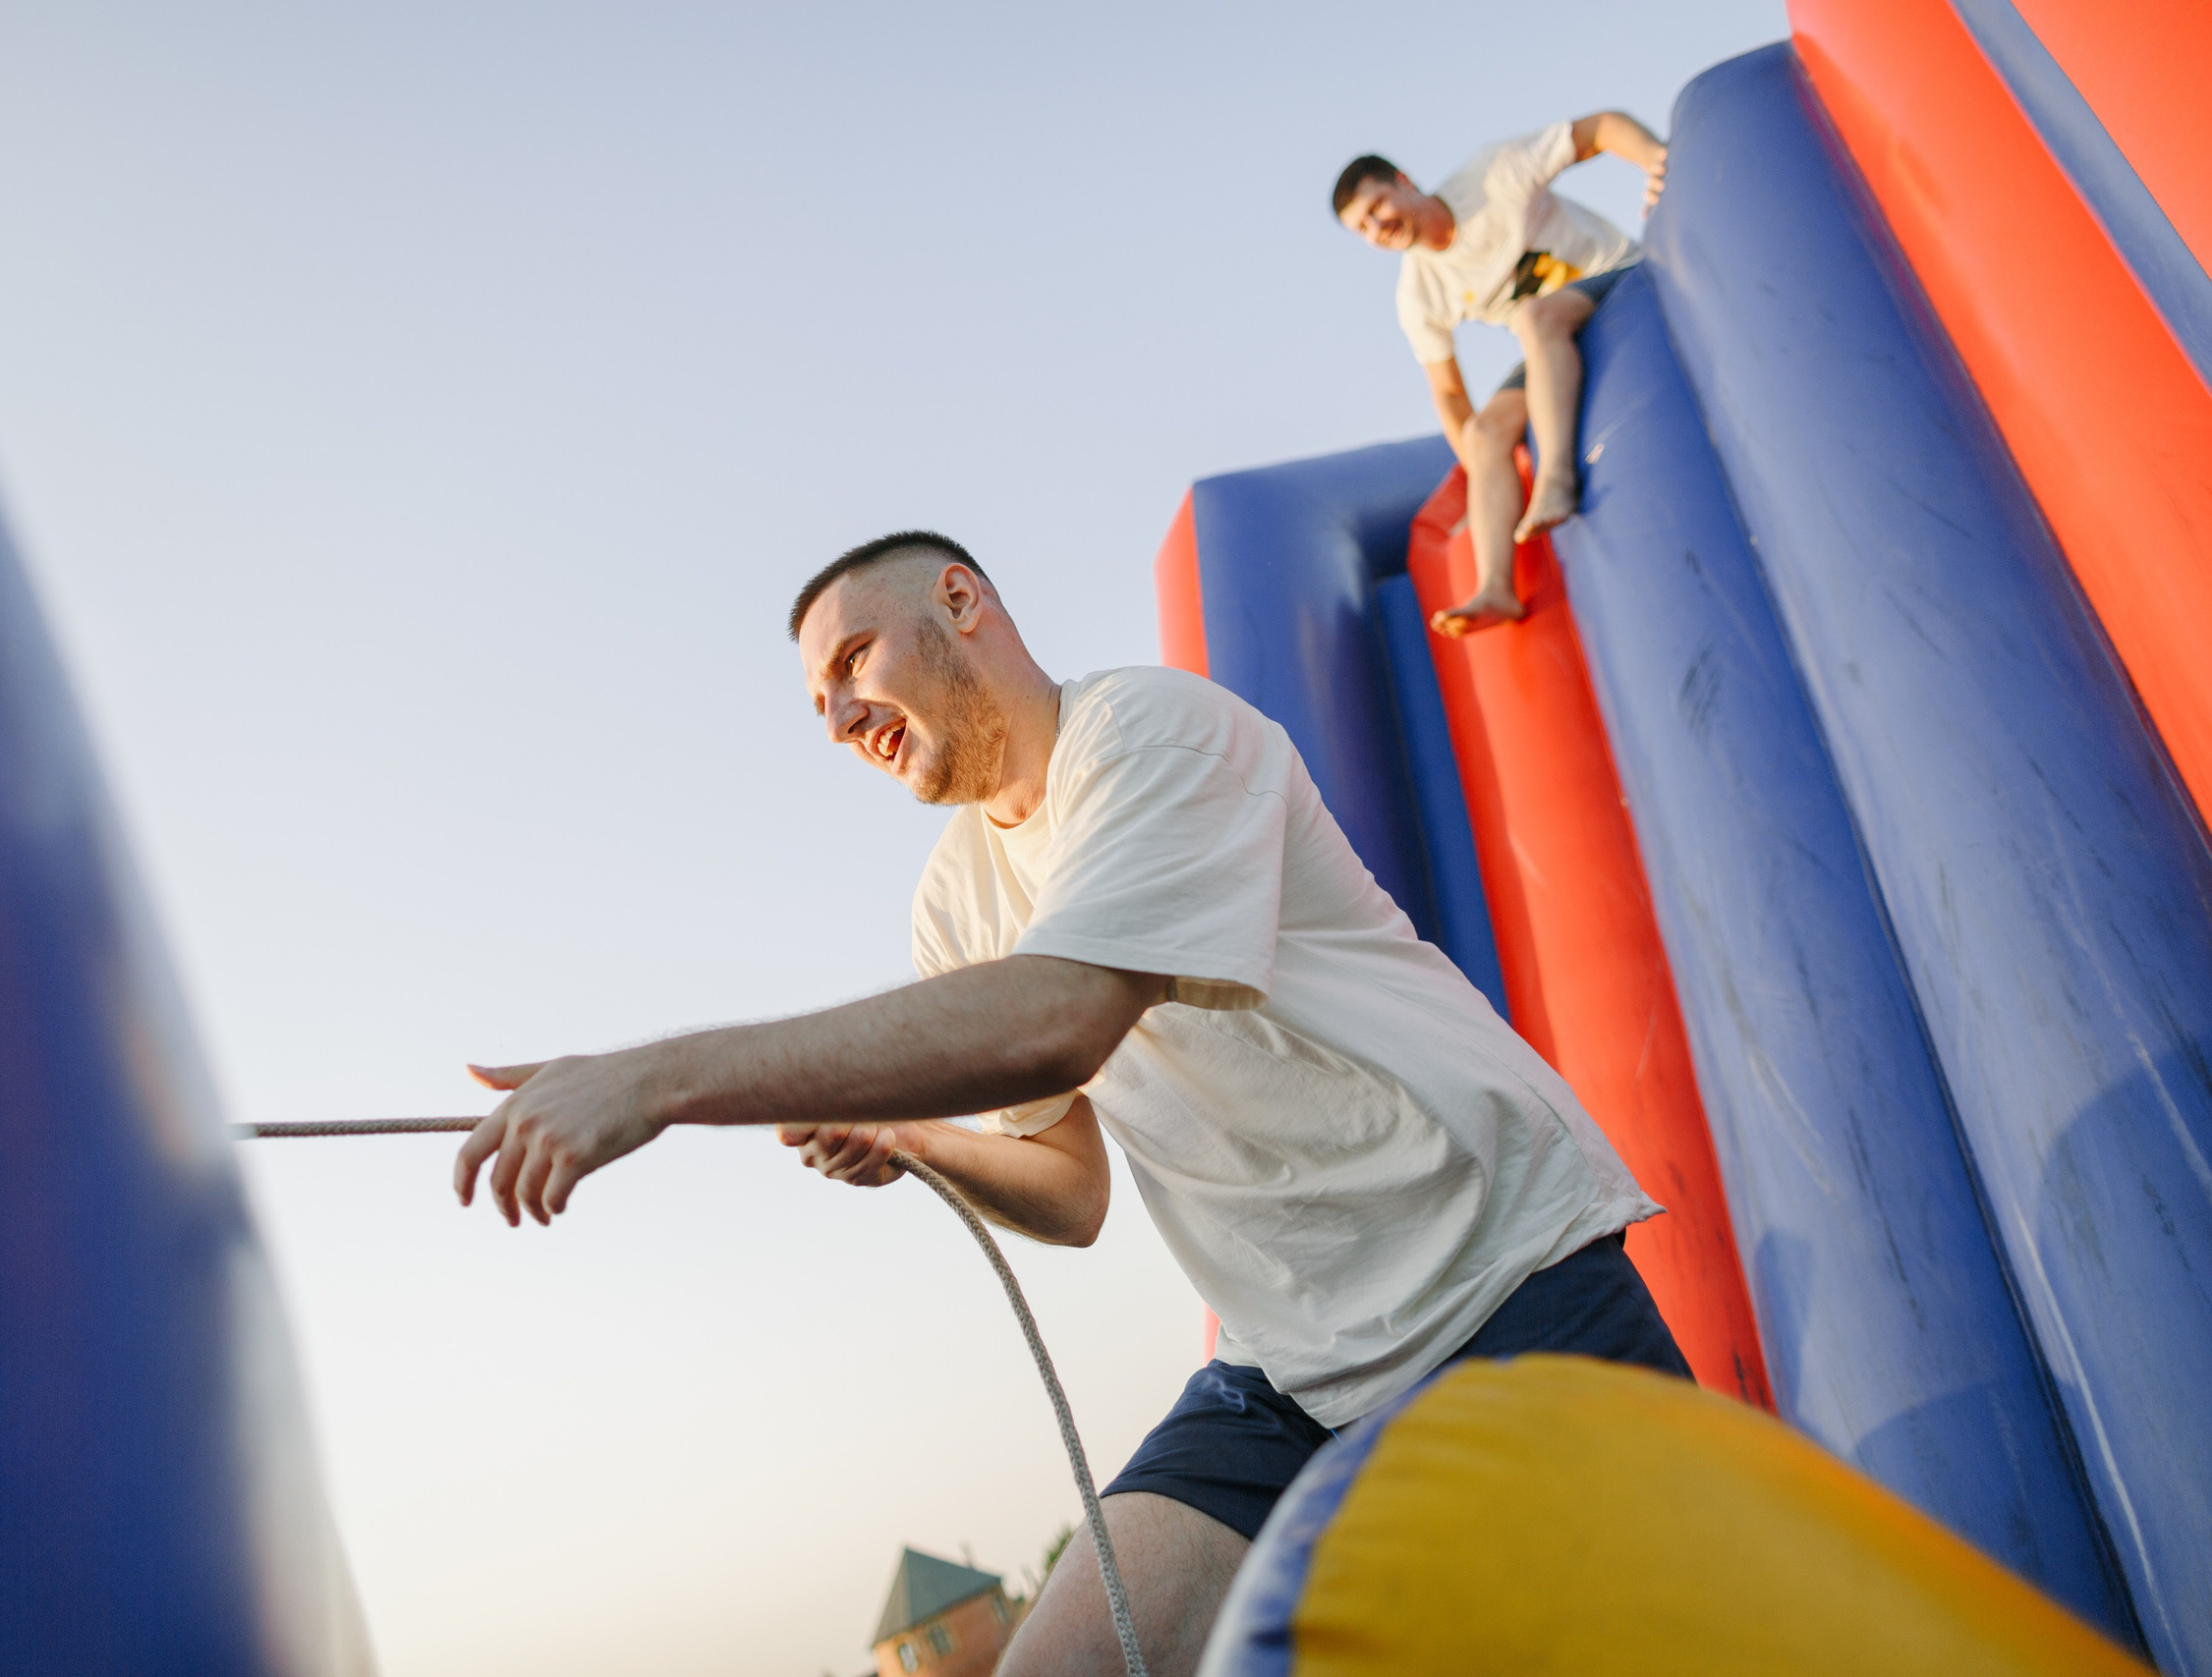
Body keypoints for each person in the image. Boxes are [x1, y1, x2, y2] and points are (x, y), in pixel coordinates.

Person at [454, 531, 1690, 1676]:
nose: (835, 718)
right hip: (1287, 1368)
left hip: (1500, 1278)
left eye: (850, 661)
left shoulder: (1151, 731)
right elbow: (1069, 1192)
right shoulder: (953, 900)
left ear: (959, 601)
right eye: (817, 702)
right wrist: (915, 1142)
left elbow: (1056, 1015)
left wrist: (657, 1079)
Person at [1333, 113, 1668, 636]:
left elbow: (1597, 130)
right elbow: (1448, 392)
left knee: (1535, 318)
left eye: (1377, 207)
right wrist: (1486, 475)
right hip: (1549, 337)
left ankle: (1556, 477)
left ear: (1403, 181)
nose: (1378, 228)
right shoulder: (1418, 293)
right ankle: (1496, 587)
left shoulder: (1491, 177)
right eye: (1363, 229)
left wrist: (1653, 158)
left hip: (1617, 280)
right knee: (1484, 430)